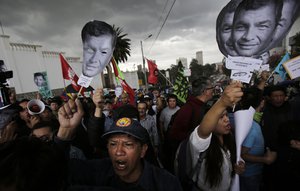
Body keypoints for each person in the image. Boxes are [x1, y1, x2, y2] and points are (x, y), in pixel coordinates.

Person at [55, 98, 183, 191]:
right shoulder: (97, 172)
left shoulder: (166, 184)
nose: (119, 151)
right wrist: (66, 132)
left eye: (128, 144)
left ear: (143, 150)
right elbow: (55, 171)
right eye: (113, 144)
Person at [180, 82, 245, 190]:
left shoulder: (229, 139)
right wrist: (222, 102)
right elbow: (204, 130)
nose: (227, 119)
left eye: (227, 115)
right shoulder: (198, 141)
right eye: (220, 117)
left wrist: (237, 169)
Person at [239, 87, 276, 191]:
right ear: (262, 102)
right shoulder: (252, 126)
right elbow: (243, 154)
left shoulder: (245, 120)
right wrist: (265, 159)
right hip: (250, 174)